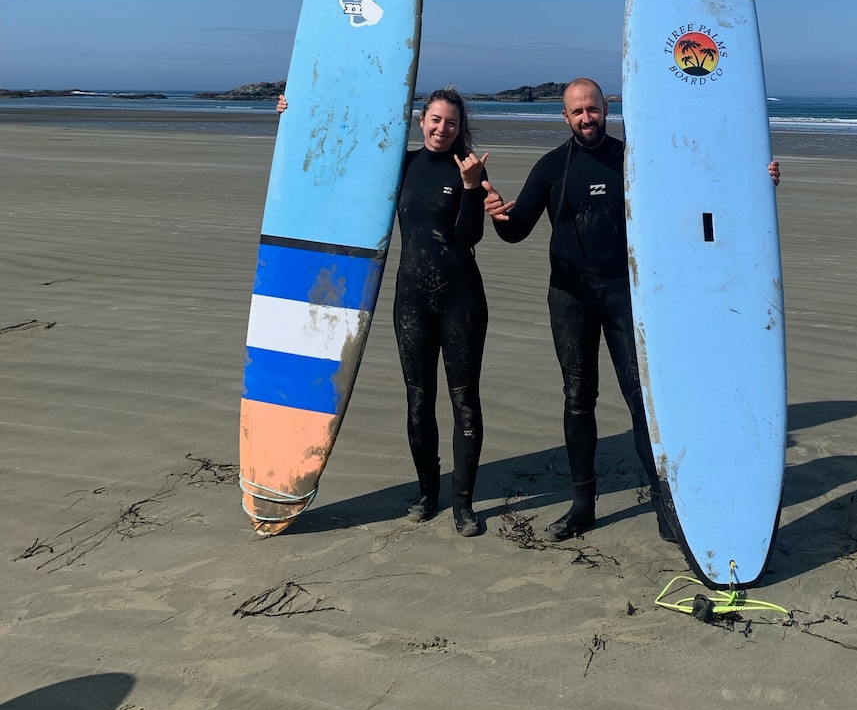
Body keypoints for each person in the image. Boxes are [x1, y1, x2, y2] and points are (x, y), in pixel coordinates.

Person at [483, 79, 781, 541]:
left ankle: (665, 507)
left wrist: (756, 182)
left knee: (642, 401)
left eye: (594, 109)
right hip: (570, 297)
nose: (587, 118)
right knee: (579, 399)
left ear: (607, 108)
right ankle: (582, 506)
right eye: (577, 112)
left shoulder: (636, 161)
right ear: (565, 117)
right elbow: (517, 230)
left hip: (627, 294)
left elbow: (699, 196)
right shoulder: (550, 168)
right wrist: (498, 214)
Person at [277, 87, 491, 536]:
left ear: (460, 127)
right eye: (435, 119)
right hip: (411, 298)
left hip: (461, 302)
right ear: (421, 120)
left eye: (451, 122)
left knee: (464, 402)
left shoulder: (469, 169)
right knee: (418, 400)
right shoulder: (403, 165)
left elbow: (469, 236)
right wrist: (296, 117)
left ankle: (464, 505)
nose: (442, 128)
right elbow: (340, 158)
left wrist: (472, 187)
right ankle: (428, 493)